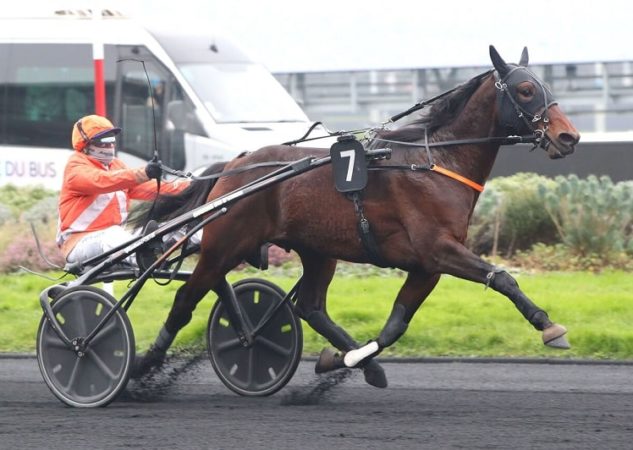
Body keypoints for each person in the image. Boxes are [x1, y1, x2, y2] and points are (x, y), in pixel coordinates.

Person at [56, 114, 188, 265]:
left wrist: (195, 186)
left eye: (112, 140)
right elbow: (101, 181)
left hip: (115, 241)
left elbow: (153, 188)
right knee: (113, 234)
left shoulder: (117, 166)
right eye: (104, 142)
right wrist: (144, 173)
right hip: (78, 244)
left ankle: (157, 254)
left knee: (180, 223)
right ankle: (144, 259)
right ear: (86, 145)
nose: (110, 146)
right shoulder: (75, 167)